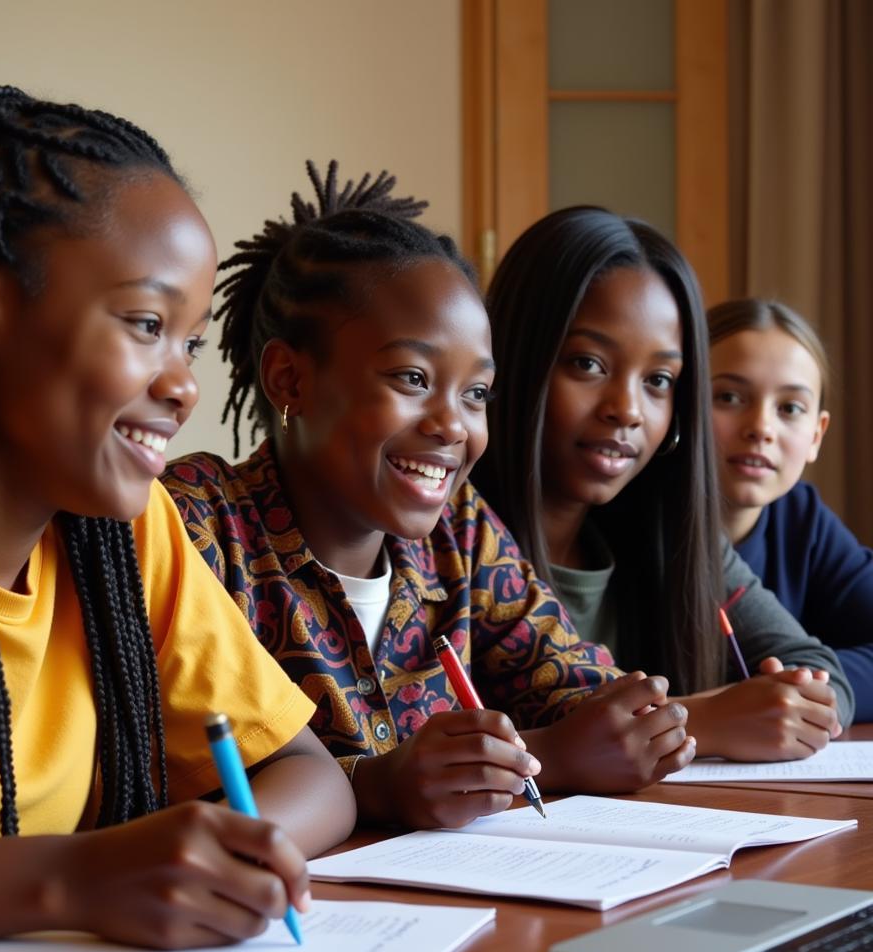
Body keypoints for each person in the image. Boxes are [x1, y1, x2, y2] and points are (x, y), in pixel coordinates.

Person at [0, 87, 356, 949]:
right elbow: (73, 878)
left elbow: (310, 776)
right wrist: (72, 876)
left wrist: (235, 853)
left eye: (191, 341)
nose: (183, 383)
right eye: (147, 323)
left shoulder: (123, 535)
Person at [163, 162, 696, 831]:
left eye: (476, 394)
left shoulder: (458, 531)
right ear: (290, 380)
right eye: (413, 377)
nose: (453, 425)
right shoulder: (197, 522)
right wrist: (392, 782)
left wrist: (630, 726)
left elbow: (581, 696)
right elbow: (180, 785)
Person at [472, 207, 853, 763]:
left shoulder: (664, 526)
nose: (626, 410)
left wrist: (797, 702)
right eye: (588, 363)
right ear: (515, 357)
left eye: (658, 381)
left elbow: (819, 671)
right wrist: (704, 720)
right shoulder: (452, 536)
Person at [708, 298, 873, 719]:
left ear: (817, 435)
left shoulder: (802, 519)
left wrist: (797, 689)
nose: (761, 427)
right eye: (728, 396)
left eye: (789, 408)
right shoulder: (633, 517)